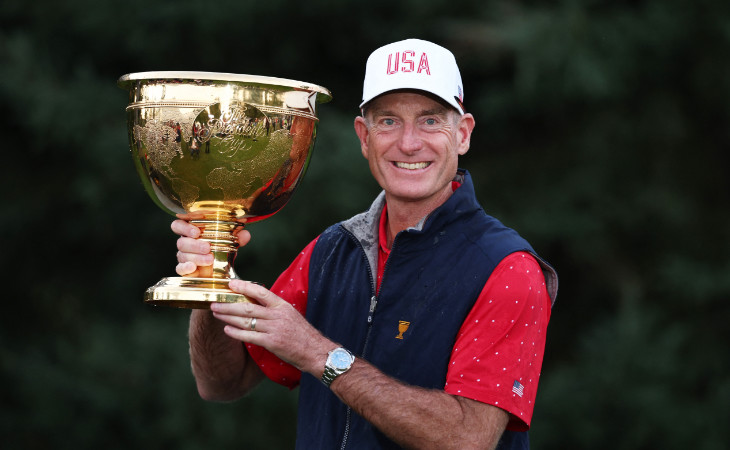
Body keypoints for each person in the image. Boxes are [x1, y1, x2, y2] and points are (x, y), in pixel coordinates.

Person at [173, 38, 558, 450]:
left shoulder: (507, 268)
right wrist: (212, 277)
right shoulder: (331, 252)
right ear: (364, 136)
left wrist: (318, 353)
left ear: (462, 134)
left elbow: (467, 438)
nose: (409, 142)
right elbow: (222, 382)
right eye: (388, 121)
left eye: (430, 121)